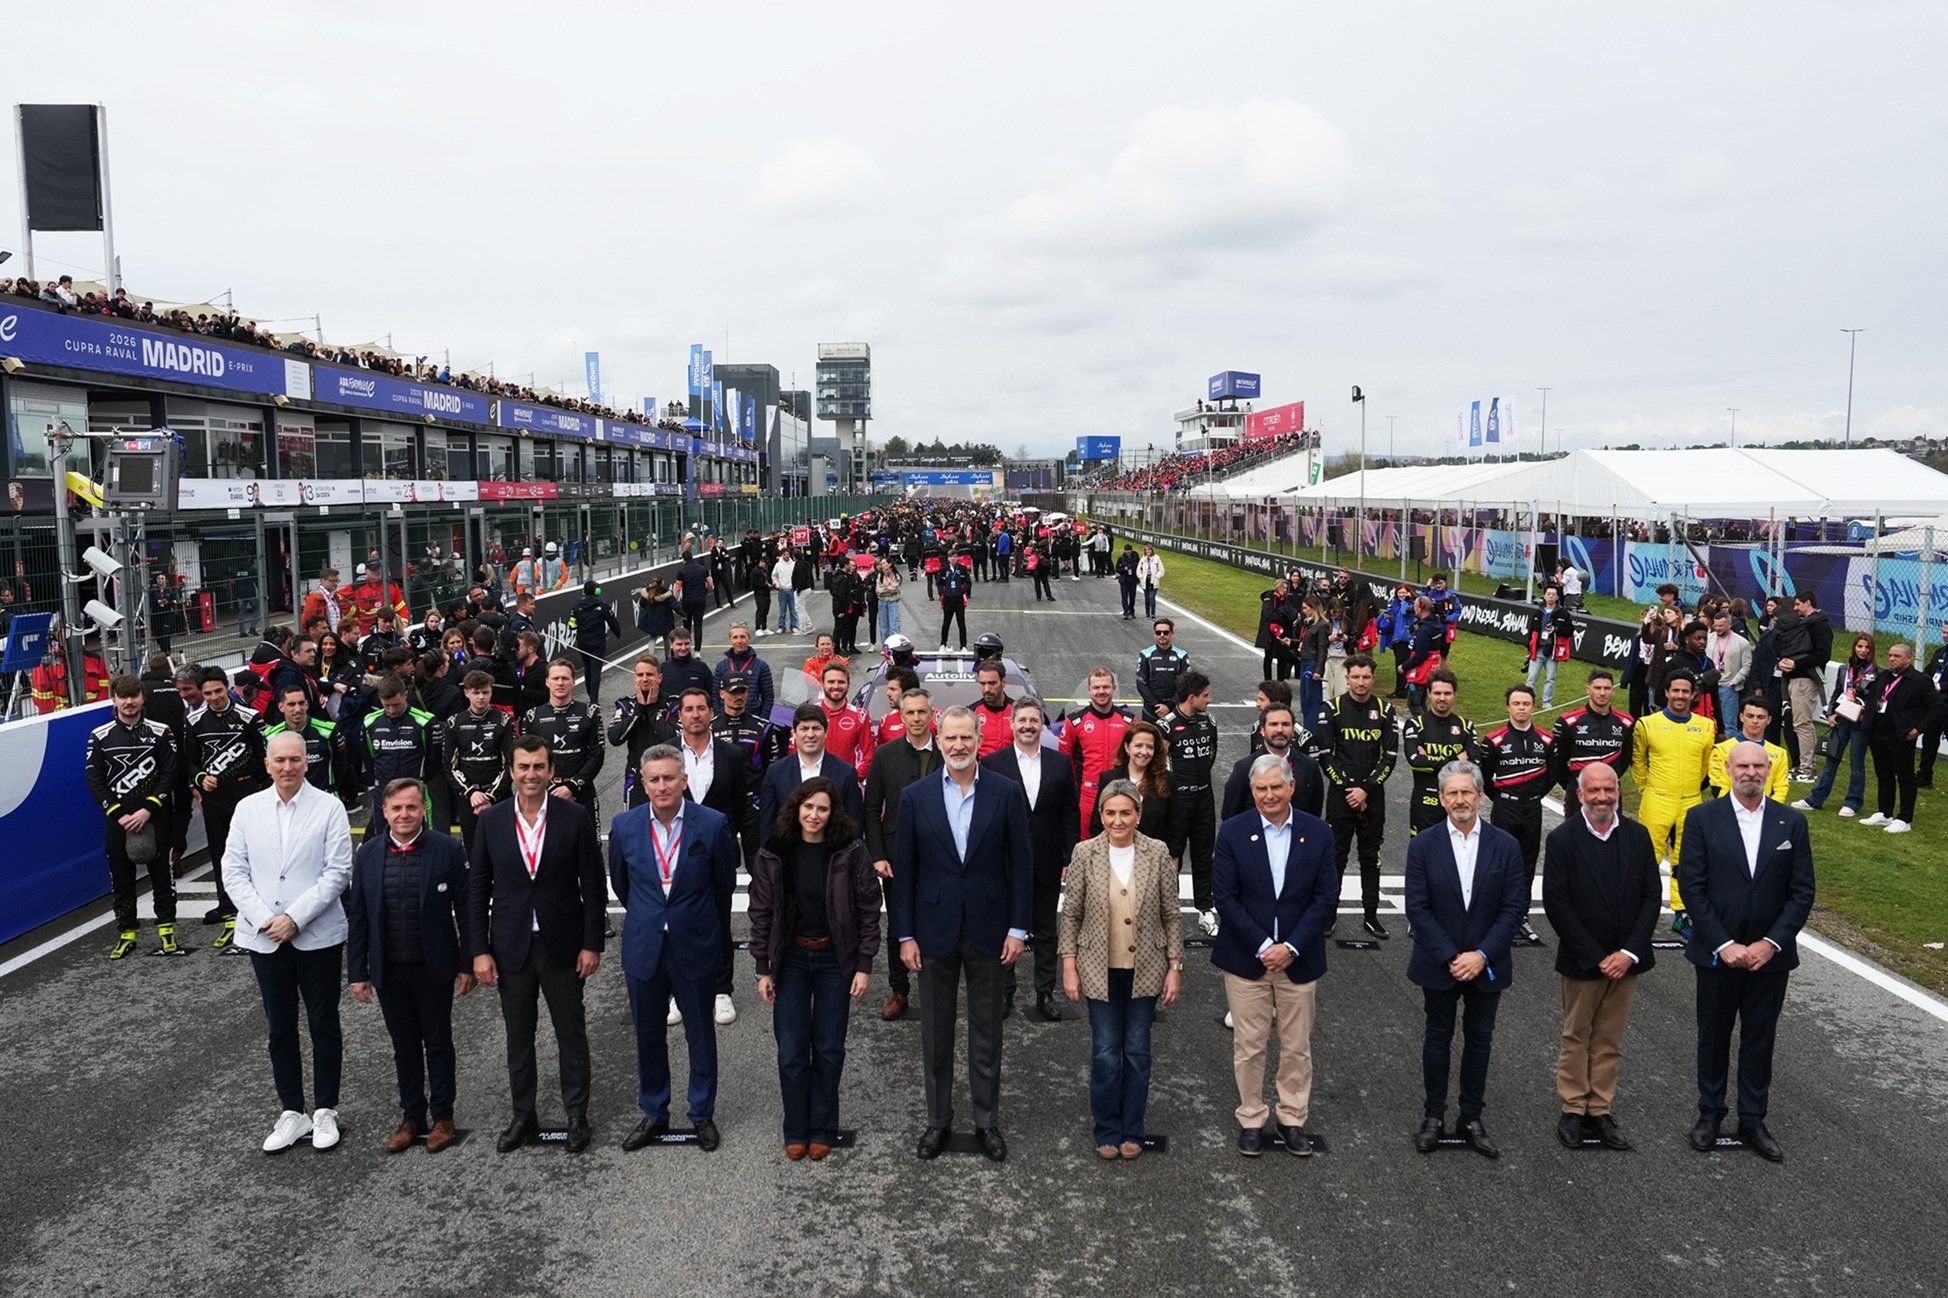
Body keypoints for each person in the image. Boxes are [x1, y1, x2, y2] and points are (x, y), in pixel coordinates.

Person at [890, 707, 1034, 1162]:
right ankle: (938, 1121)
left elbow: (1022, 866)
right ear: (940, 739)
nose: (958, 745)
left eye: (966, 738)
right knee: (936, 1033)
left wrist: (1018, 929)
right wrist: (905, 935)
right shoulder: (915, 797)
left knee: (988, 1032)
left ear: (979, 740)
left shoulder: (1006, 792)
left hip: (991, 930)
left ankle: (986, 1122)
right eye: (950, 738)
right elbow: (905, 873)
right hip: (932, 932)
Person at [1677, 742, 1816, 1162]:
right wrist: (1725, 944)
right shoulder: (1702, 818)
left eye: (1758, 765)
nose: (1751, 772)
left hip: (1770, 958)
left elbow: (1802, 891)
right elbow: (1692, 887)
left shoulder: (1791, 822)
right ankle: (1710, 1113)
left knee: (1760, 1039)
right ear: (1728, 768)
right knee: (1713, 1038)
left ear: (1769, 769)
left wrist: (1770, 944)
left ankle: (1753, 1119)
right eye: (1743, 766)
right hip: (1718, 954)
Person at [469, 735, 607, 1155]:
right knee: (518, 1038)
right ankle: (522, 1115)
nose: (531, 775)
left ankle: (577, 1115)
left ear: (551, 771)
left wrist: (592, 943)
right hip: (510, 947)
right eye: (524, 767)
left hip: (561, 945)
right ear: (511, 771)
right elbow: (477, 888)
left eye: (539, 767)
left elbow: (592, 885)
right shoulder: (491, 820)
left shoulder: (574, 816)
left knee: (571, 1035)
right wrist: (479, 949)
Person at [221, 731, 355, 1153]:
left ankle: (326, 1109)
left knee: (323, 1023)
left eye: (295, 759)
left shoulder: (329, 807)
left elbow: (338, 872)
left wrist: (295, 918)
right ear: (267, 764)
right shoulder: (247, 809)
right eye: (279, 760)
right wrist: (267, 920)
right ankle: (292, 1112)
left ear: (306, 762)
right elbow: (233, 872)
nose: (287, 767)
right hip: (264, 939)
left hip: (317, 936)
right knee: (280, 1027)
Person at [608, 745, 740, 1153]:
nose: (662, 786)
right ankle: (654, 1111)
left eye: (669, 778)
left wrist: (689, 917)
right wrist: (652, 916)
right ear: (643, 783)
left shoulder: (712, 824)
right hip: (645, 945)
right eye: (654, 779)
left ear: (684, 781)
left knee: (700, 1034)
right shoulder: (624, 826)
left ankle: (701, 1113)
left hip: (694, 944)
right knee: (648, 1035)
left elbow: (723, 885)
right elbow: (623, 884)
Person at [1210, 755, 1338, 1157]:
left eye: (1276, 787)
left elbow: (1325, 897)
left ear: (1291, 787)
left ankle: (1292, 1117)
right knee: (1249, 1046)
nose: (1269, 795)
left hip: (1300, 959)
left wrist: (1292, 946)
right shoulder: (1233, 832)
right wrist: (1265, 946)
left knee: (1297, 1046)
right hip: (1247, 960)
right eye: (1261, 788)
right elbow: (1225, 897)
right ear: (1252, 791)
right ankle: (1251, 1118)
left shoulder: (1318, 832)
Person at [748, 777, 881, 1160]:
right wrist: (762, 967)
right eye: (808, 807)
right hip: (790, 960)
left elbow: (868, 908)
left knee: (828, 1049)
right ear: (796, 808)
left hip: (834, 961)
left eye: (823, 808)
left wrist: (864, 963)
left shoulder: (851, 851)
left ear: (833, 812)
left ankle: (823, 1126)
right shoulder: (773, 852)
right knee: (791, 1051)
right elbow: (761, 912)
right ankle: (796, 1128)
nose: (814, 815)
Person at [1404, 760, 1528, 1158]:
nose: (1460, 800)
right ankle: (1433, 1116)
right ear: (1441, 798)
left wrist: (1481, 955)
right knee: (1437, 1038)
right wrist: (1452, 956)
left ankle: (1471, 1117)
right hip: (1439, 963)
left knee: (1480, 1041)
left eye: (1467, 792)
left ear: (1480, 795)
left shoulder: (1505, 845)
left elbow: (1513, 908)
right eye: (1453, 793)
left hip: (1486, 964)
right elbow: (1417, 908)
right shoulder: (1423, 845)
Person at [345, 778, 474, 1154]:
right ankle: (412, 1116)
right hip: (389, 969)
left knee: (438, 1043)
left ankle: (443, 1116)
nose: (404, 814)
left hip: (434, 966)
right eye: (397, 808)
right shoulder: (368, 854)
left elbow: (467, 911)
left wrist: (467, 962)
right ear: (384, 812)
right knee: (404, 1047)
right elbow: (358, 916)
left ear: (423, 810)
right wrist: (358, 972)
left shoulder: (447, 849)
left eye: (412, 807)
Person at [1059, 778, 1184, 1159]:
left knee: (1137, 1051)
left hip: (1146, 968)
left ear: (1138, 815)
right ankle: (1107, 1128)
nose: (1118, 820)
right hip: (1098, 969)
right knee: (1105, 1052)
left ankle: (1133, 1128)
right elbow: (1071, 915)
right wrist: (1069, 966)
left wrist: (1175, 966)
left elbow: (1171, 914)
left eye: (1125, 813)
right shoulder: (1084, 853)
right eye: (1110, 813)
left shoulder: (1157, 852)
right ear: (1101, 815)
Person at [1541, 764, 1661, 1151]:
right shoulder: (1562, 840)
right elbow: (1557, 904)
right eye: (1594, 791)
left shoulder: (1638, 837)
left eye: (1609, 790)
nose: (1602, 797)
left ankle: (1600, 1108)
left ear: (1618, 792)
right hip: (1583, 961)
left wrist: (1628, 953)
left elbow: (1651, 897)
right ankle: (1573, 1107)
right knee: (1576, 1036)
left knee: (1609, 1037)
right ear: (1580, 795)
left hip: (1626, 961)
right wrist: (1596, 956)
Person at [983, 697, 1080, 1022]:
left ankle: (1045, 992)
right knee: (1003, 928)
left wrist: (1069, 855)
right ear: (1012, 724)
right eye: (1022, 720)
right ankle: (1005, 991)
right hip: (1004, 862)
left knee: (1046, 931)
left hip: (1047, 861)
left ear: (1042, 725)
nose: (1027, 726)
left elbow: (1069, 812)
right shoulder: (992, 764)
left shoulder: (1060, 763)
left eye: (1033, 720)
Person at [675, 688, 756, 1026]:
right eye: (688, 709)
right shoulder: (667, 753)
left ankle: (722, 989)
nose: (695, 714)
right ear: (680, 715)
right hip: (675, 854)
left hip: (719, 854)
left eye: (701, 708)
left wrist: (753, 858)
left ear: (712, 713)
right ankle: (681, 989)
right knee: (679, 923)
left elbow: (743, 810)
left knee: (719, 921)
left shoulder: (732, 755)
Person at [87, 676, 181, 959]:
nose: (129, 702)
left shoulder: (162, 732)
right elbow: (95, 781)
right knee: (121, 880)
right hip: (119, 821)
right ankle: (127, 933)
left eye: (134, 696)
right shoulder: (99, 736)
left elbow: (170, 774)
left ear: (143, 698)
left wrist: (148, 809)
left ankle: (167, 930)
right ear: (113, 700)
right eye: (123, 697)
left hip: (155, 817)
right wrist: (119, 814)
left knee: (162, 876)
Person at [864, 686, 942, 1020]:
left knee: (937, 923)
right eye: (910, 712)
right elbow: (871, 807)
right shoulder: (885, 755)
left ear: (932, 714)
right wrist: (877, 854)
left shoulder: (947, 752)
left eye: (922, 711)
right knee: (898, 925)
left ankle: (936, 988)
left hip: (940, 856)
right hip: (896, 856)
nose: (916, 718)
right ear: (901, 716)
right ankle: (899, 990)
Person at [187, 666, 271, 946]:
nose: (214, 697)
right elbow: (190, 762)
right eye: (208, 693)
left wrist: (258, 789)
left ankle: (258, 906)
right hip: (214, 798)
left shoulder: (249, 717)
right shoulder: (195, 721)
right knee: (220, 852)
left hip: (246, 794)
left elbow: (263, 757)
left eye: (218, 691)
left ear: (228, 687)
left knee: (253, 851)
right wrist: (200, 778)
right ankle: (227, 908)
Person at [1633, 671, 1716, 935]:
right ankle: (1637, 912)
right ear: (1666, 692)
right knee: (1647, 858)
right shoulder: (1647, 724)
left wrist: (1693, 788)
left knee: (1687, 860)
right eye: (1675, 690)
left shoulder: (1706, 726)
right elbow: (1638, 761)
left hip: (1691, 801)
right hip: (1657, 798)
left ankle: (1682, 913)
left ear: (1693, 694)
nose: (1680, 696)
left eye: (1685, 691)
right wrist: (1646, 788)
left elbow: (1706, 764)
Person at [1320, 654, 1396, 939]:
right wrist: (1350, 789)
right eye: (1356, 677)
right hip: (1341, 797)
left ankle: (1371, 916)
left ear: (1373, 679)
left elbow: (1390, 757)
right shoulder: (1331, 709)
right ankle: (1329, 915)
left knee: (1371, 857)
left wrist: (1366, 789)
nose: (1361, 682)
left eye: (1366, 677)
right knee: (1335, 857)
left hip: (1372, 796)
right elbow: (1325, 756)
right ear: (1347, 678)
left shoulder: (1386, 711)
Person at [1478, 683, 1555, 944]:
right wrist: (1502, 799)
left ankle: (1521, 915)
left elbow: (1551, 775)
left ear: (1533, 707)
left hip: (1532, 808)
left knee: (1527, 864)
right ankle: (1498, 915)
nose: (1521, 708)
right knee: (1500, 862)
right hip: (1505, 808)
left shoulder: (1546, 740)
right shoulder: (1494, 740)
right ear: (1507, 707)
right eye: (1516, 704)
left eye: (1526, 704)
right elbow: (1485, 778)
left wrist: (1533, 797)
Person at [1793, 632, 1878, 817]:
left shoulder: (1877, 672)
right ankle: (1815, 799)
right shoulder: (1844, 669)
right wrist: (1831, 713)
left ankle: (1853, 802)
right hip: (1841, 720)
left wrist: (1866, 714)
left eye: (1867, 647)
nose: (1863, 650)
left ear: (1872, 650)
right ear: (1854, 647)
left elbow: (1878, 699)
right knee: (1831, 761)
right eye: (1859, 646)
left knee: (1857, 763)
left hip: (1859, 723)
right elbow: (1838, 692)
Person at [1861, 643, 1942, 833]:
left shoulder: (1919, 680)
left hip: (1901, 735)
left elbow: (1937, 707)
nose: (1892, 659)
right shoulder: (1884, 676)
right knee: (1883, 774)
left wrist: (1918, 729)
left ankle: (1905, 819)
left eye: (1897, 656)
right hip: (1877, 732)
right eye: (1890, 655)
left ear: (1908, 658)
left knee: (1905, 777)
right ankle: (1885, 813)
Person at [760, 702, 867, 841]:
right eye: (804, 728)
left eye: (816, 728)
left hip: (832, 851)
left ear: (826, 732)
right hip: (786, 851)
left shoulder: (846, 773)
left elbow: (854, 825)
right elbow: (766, 825)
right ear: (794, 733)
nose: (810, 735)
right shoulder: (775, 772)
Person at [521, 658, 606, 819]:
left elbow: (597, 754)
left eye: (565, 678)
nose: (560, 683)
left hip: (581, 792)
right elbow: (527, 758)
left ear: (573, 681)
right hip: (544, 793)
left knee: (588, 836)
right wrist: (552, 787)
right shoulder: (532, 716)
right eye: (555, 678)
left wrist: (571, 787)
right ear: (547, 682)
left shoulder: (590, 713)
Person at [444, 670, 514, 849]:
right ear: (466, 692)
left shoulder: (504, 721)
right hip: (469, 799)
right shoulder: (454, 723)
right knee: (474, 849)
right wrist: (471, 792)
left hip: (499, 796)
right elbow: (449, 766)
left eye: (485, 692)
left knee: (505, 848)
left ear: (491, 692)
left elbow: (511, 764)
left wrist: (491, 795)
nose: (481, 697)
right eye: (476, 692)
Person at [1222, 702, 1325, 821]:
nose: (1280, 730)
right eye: (1273, 724)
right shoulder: (1244, 769)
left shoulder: (1310, 767)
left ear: (1293, 730)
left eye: (1285, 724)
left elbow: (1314, 813)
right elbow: (1230, 816)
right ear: (1262, 730)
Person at [1403, 669, 1476, 834]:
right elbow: (1415, 761)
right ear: (1429, 693)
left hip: (1458, 803)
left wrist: (1430, 760)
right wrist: (1456, 760)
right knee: (1423, 849)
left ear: (1455, 694)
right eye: (1437, 693)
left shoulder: (1466, 726)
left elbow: (1475, 764)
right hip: (1425, 804)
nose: (1442, 698)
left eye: (1447, 693)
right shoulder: (1415, 725)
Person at [1552, 668, 1634, 809]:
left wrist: (1610, 780)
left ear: (1613, 691)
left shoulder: (1625, 722)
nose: (1602, 693)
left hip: (1611, 792)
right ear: (1588, 689)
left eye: (1607, 688)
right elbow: (1558, 761)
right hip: (1579, 791)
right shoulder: (1568, 722)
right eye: (1597, 688)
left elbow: (1626, 758)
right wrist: (1572, 785)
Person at [1064, 666, 1133, 832]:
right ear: (1089, 690)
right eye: (1096, 687)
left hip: (1121, 794)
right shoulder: (1075, 722)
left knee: (1121, 840)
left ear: (1114, 688)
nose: (1101, 691)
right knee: (1087, 843)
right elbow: (1065, 761)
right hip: (1087, 796)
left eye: (1106, 687)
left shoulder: (1129, 722)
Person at [1774, 591, 1832, 781]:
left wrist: (1796, 663)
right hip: (1795, 678)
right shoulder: (1804, 624)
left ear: (1808, 603)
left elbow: (1823, 655)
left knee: (1801, 724)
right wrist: (1783, 661)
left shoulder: (1819, 625)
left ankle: (1807, 769)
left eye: (1798, 604)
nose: (1795, 608)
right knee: (1803, 724)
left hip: (1804, 680)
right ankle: (1806, 766)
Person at [610, 655, 678, 807]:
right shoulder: (626, 705)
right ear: (635, 678)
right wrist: (639, 710)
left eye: (650, 674)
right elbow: (614, 738)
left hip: (668, 776)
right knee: (635, 822)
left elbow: (673, 738)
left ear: (659, 678)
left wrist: (652, 709)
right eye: (640, 675)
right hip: (637, 778)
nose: (645, 679)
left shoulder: (673, 704)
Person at [265, 683, 348, 796]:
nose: (297, 709)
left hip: (324, 796)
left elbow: (341, 765)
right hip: (289, 798)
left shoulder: (328, 731)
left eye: (301, 703)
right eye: (291, 704)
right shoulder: (271, 736)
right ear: (281, 707)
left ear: (307, 704)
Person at [1711, 697, 1789, 803]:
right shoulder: (1721, 750)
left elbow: (1781, 789)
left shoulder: (1779, 754)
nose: (1755, 721)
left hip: (1766, 810)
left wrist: (1768, 810)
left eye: (1760, 717)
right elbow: (1720, 789)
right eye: (1750, 716)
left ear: (1769, 720)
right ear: (1741, 717)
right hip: (1730, 810)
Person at [817, 659, 877, 781]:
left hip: (848, 785)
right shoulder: (809, 715)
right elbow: (797, 755)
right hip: (815, 786)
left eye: (841, 682)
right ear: (822, 684)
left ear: (848, 685)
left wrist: (850, 780)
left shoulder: (860, 716)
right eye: (831, 682)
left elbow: (869, 757)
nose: (836, 686)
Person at [565, 582, 620, 703]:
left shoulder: (576, 606)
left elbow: (572, 626)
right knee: (595, 671)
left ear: (584, 592)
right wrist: (618, 634)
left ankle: (590, 694)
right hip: (598, 642)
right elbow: (612, 621)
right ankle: (594, 700)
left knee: (588, 668)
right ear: (597, 591)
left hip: (583, 642)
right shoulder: (602, 605)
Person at [1523, 586, 1574, 709]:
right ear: (1544, 596)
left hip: (1552, 651)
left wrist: (1556, 629)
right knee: (1531, 678)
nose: (1551, 596)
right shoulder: (1538, 612)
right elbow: (1531, 632)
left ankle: (1546, 701)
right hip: (1538, 650)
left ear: (1557, 597)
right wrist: (1529, 649)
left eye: (1553, 594)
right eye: (1548, 594)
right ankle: (1529, 701)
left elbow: (1570, 631)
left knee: (1550, 677)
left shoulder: (1563, 614)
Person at [1705, 613, 1753, 735]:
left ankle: (1730, 745)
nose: (1718, 628)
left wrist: (1734, 682)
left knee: (1729, 723)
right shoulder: (1708, 638)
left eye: (1721, 626)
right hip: (1710, 685)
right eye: (1715, 625)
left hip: (1728, 686)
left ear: (1729, 624)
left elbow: (1746, 665)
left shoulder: (1742, 642)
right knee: (1708, 720)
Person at [715, 623, 775, 718]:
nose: (739, 641)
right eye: (735, 637)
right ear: (730, 640)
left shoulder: (761, 666)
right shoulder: (721, 666)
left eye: (743, 637)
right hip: (726, 719)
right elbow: (715, 695)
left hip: (752, 718)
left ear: (749, 639)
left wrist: (762, 720)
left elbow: (768, 697)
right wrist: (719, 717)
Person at [1134, 619, 1188, 721]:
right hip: (1151, 710)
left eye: (1165, 632)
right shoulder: (1145, 655)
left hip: (1175, 709)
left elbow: (1186, 685)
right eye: (1158, 632)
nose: (1162, 635)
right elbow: (1141, 683)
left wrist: (1170, 705)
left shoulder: (1182, 655)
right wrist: (1155, 705)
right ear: (1154, 634)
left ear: (1172, 634)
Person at [937, 555, 971, 650]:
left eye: (955, 557)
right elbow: (939, 583)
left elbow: (969, 583)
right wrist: (944, 592)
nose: (953, 559)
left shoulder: (963, 569)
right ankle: (943, 644)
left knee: (961, 624)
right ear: (948, 558)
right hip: (948, 600)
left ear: (957, 558)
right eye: (951, 557)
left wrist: (961, 592)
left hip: (959, 600)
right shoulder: (944, 569)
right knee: (946, 624)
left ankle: (963, 646)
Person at [1136, 545, 1164, 619]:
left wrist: (1157, 576)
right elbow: (1138, 570)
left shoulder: (1157, 559)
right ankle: (1147, 613)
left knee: (1151, 597)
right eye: (1146, 550)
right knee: (1147, 598)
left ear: (1152, 550)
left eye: (1149, 550)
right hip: (1145, 580)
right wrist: (1141, 577)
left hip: (1153, 580)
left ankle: (1153, 613)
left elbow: (1161, 570)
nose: (1148, 551)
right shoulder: (1143, 559)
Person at [1115, 545, 1140, 619]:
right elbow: (1117, 569)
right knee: (1124, 597)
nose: (1128, 552)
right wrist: (1124, 569)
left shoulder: (1135, 559)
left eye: (1129, 550)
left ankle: (1131, 611)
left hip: (1133, 580)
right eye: (1126, 550)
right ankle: (1126, 611)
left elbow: (1139, 568)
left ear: (1131, 550)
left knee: (1132, 597)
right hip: (1124, 580)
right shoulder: (1121, 559)